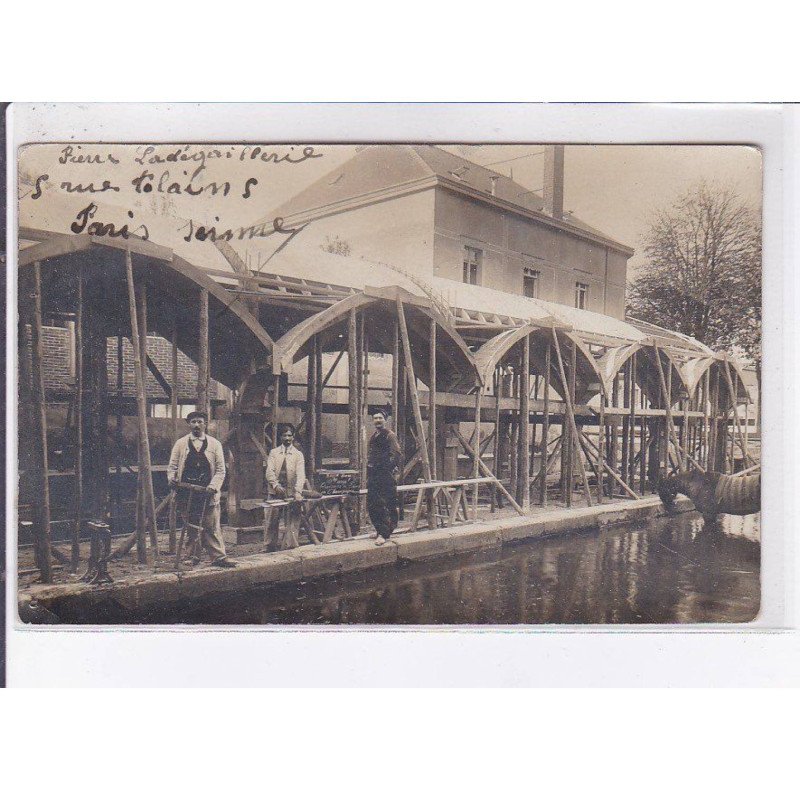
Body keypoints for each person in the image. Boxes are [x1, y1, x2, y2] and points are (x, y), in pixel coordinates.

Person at [167, 410, 237, 568]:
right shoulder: (180, 444)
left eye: (199, 421)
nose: (196, 425)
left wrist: (213, 486)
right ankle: (192, 556)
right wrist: (172, 479)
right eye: (193, 422)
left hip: (207, 493)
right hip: (186, 491)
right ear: (189, 424)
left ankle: (218, 557)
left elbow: (220, 470)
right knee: (191, 525)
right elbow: (172, 467)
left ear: (205, 424)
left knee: (211, 525)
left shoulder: (214, 444)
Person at [265, 424, 306, 550]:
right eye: (284, 435)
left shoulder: (298, 454)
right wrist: (275, 485)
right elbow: (269, 471)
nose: (287, 438)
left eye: (289, 435)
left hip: (291, 492)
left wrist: (298, 491)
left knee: (293, 519)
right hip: (275, 491)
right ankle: (269, 546)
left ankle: (290, 545)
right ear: (280, 437)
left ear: (293, 437)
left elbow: (301, 474)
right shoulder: (274, 453)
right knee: (272, 519)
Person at [367, 409, 402, 546]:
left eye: (380, 418)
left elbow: (397, 454)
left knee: (385, 503)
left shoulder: (389, 435)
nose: (377, 420)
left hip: (384, 475)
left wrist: (386, 468)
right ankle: (379, 530)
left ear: (385, 420)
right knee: (373, 502)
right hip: (374, 474)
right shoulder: (374, 435)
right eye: (375, 418)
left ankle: (384, 533)